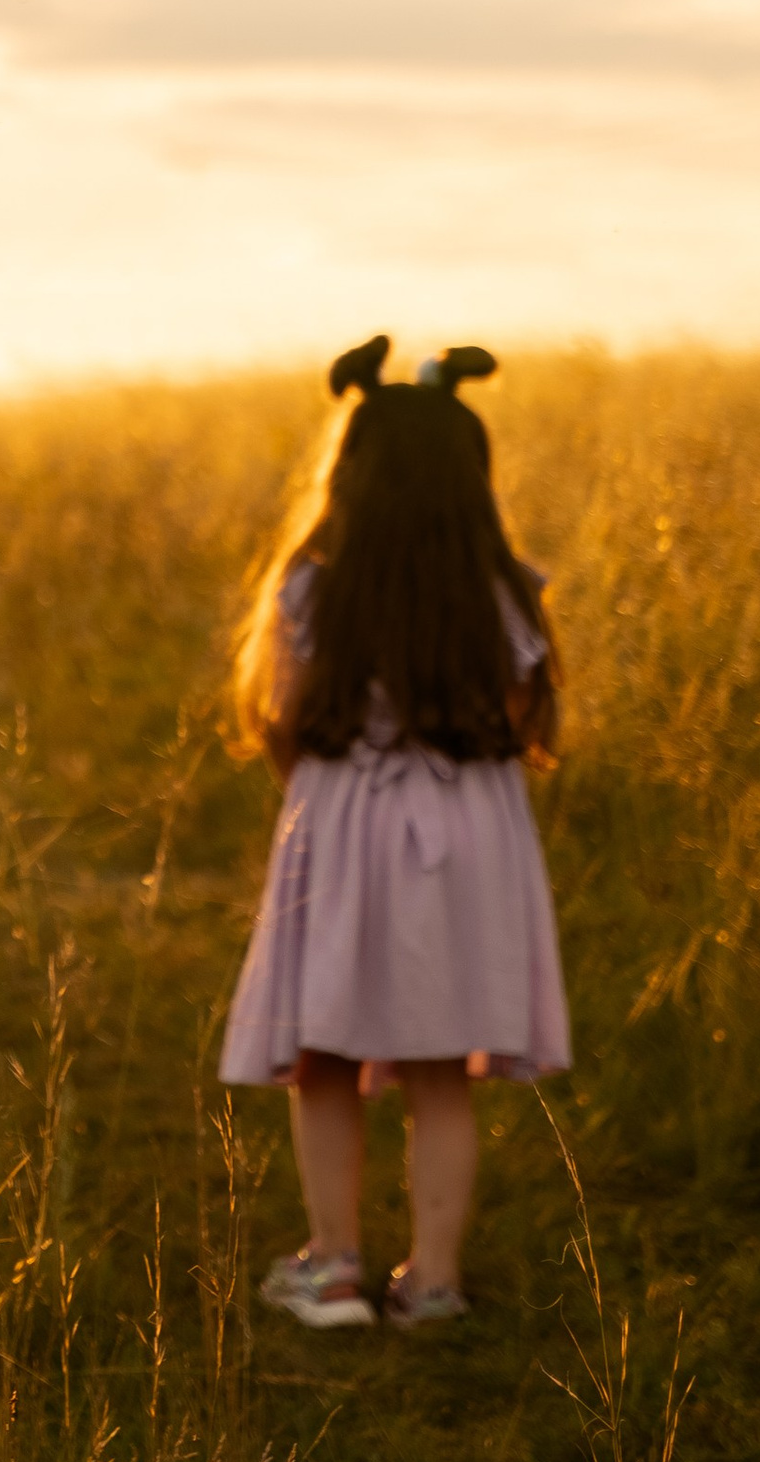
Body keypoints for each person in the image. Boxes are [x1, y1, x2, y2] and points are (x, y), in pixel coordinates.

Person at [219, 335, 569, 1333]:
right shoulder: (505, 593)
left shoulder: (313, 588)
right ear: (471, 479)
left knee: (325, 1053)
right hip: (470, 832)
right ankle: (434, 1283)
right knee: (440, 1064)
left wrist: (335, 794)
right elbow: (519, 722)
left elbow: (285, 723)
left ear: (350, 475)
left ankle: (333, 1267)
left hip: (341, 824)